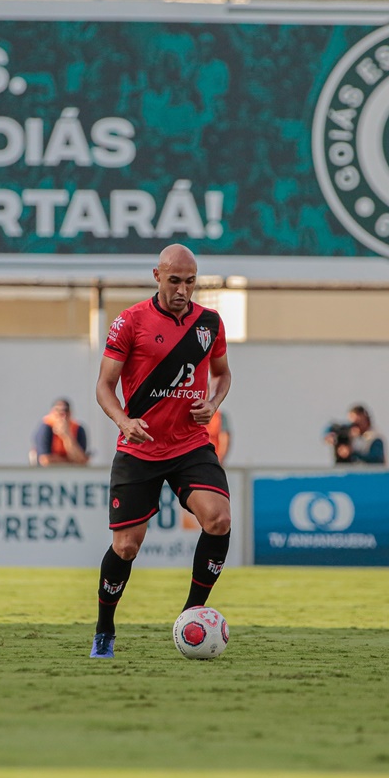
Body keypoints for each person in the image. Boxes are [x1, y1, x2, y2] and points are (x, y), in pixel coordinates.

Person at [90, 244, 232, 659]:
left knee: (219, 519)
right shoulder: (130, 321)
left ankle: (192, 614)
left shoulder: (210, 323)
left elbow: (223, 375)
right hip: (140, 447)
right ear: (157, 276)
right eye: (174, 281)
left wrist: (213, 403)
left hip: (190, 444)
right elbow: (103, 386)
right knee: (126, 547)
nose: (183, 290)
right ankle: (104, 629)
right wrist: (124, 421)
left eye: (190, 282)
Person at [31, 398, 89, 466]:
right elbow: (45, 460)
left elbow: (81, 460)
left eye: (66, 412)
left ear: (70, 413)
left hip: (71, 470)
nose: (63, 417)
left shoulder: (78, 429)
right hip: (47, 470)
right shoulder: (46, 428)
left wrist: (67, 436)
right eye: (59, 412)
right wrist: (70, 461)